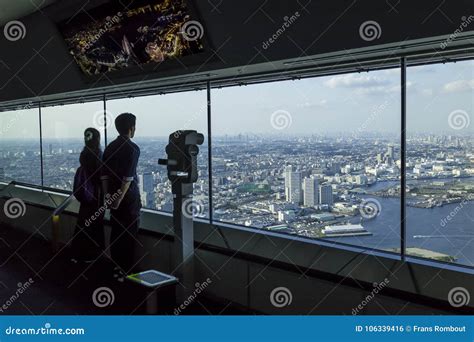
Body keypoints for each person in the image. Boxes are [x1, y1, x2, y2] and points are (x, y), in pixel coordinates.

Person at [101, 113, 141, 281]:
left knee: (116, 234)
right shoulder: (132, 149)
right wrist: (118, 199)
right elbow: (128, 178)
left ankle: (116, 269)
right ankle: (127, 273)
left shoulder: (110, 147)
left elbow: (103, 176)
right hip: (128, 201)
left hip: (112, 198)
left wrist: (108, 197)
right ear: (131, 128)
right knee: (129, 237)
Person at [71, 128, 105, 262]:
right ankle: (91, 255)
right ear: (98, 138)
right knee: (95, 225)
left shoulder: (84, 153)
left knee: (83, 223)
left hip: (85, 195)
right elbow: (100, 176)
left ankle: (78, 254)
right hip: (96, 196)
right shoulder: (98, 154)